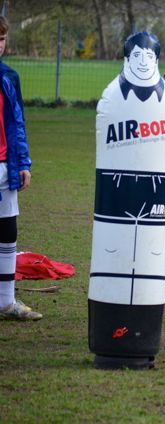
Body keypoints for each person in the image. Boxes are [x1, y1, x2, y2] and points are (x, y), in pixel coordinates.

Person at [0, 17, 40, 321]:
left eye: (1, 39)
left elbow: (18, 123)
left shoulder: (10, 76)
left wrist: (23, 162)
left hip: (5, 166)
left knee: (7, 232)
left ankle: (6, 302)